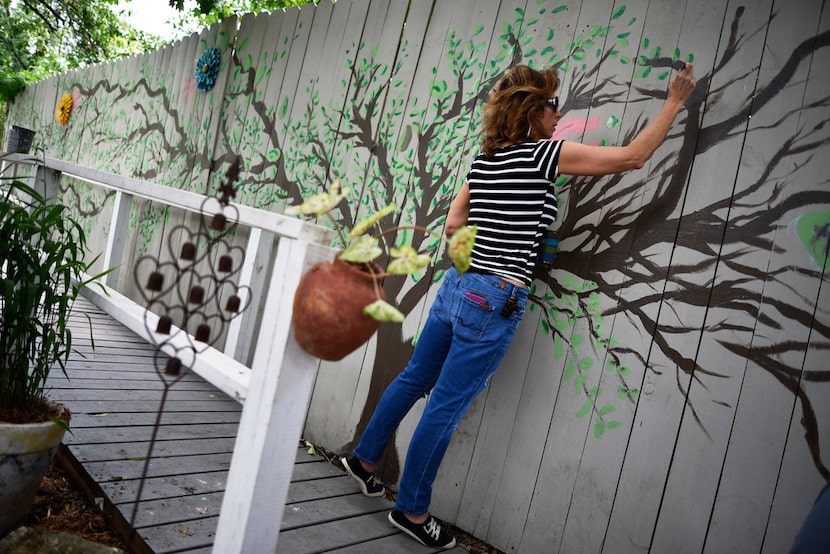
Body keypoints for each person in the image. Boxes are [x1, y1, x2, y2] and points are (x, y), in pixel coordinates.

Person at [342, 62, 697, 550]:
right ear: (531, 111)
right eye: (552, 105)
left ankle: (363, 460)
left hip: (457, 286)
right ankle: (411, 510)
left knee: (413, 379)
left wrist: (486, 247)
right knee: (443, 409)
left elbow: (452, 225)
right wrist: (675, 102)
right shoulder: (543, 156)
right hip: (492, 300)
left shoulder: (486, 161)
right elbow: (632, 158)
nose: (559, 113)